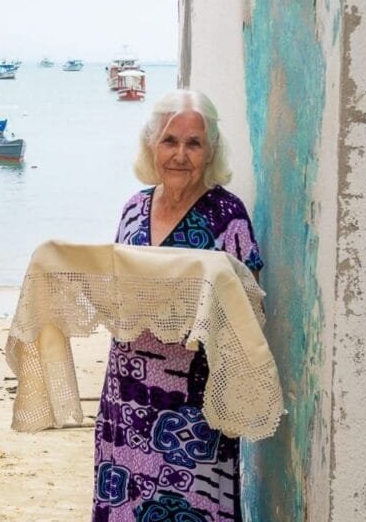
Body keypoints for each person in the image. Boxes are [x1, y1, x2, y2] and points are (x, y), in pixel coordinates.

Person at [92, 89, 264, 522]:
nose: (181, 155)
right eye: (170, 141)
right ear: (152, 145)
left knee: (195, 509)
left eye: (194, 143)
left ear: (210, 152)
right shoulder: (133, 209)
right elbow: (116, 289)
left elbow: (250, 312)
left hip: (194, 409)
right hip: (127, 399)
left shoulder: (228, 215)